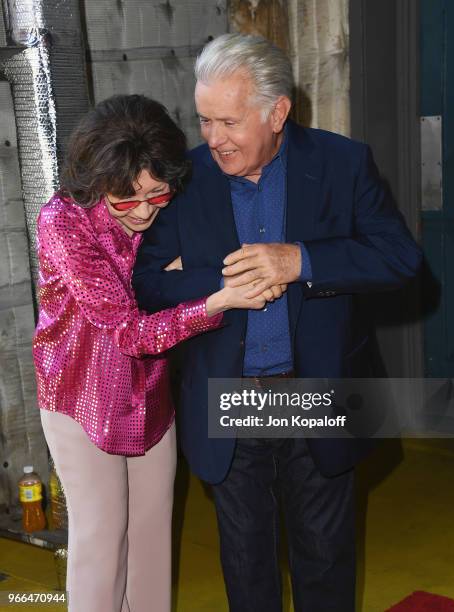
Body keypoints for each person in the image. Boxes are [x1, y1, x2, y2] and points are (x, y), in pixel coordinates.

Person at [133, 34, 422, 612]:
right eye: (205, 120)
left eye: (229, 122)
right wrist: (221, 282)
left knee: (325, 558)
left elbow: (400, 258)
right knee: (246, 565)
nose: (213, 139)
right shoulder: (185, 180)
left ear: (278, 112)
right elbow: (146, 284)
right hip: (229, 398)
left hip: (316, 390)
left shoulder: (343, 163)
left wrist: (302, 260)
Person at [32, 94, 272, 612]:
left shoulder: (169, 206)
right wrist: (219, 300)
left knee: (150, 540)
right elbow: (129, 332)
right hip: (81, 397)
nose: (142, 213)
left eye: (156, 196)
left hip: (149, 393)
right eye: (125, 201)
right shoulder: (63, 222)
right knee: (102, 539)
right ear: (98, 181)